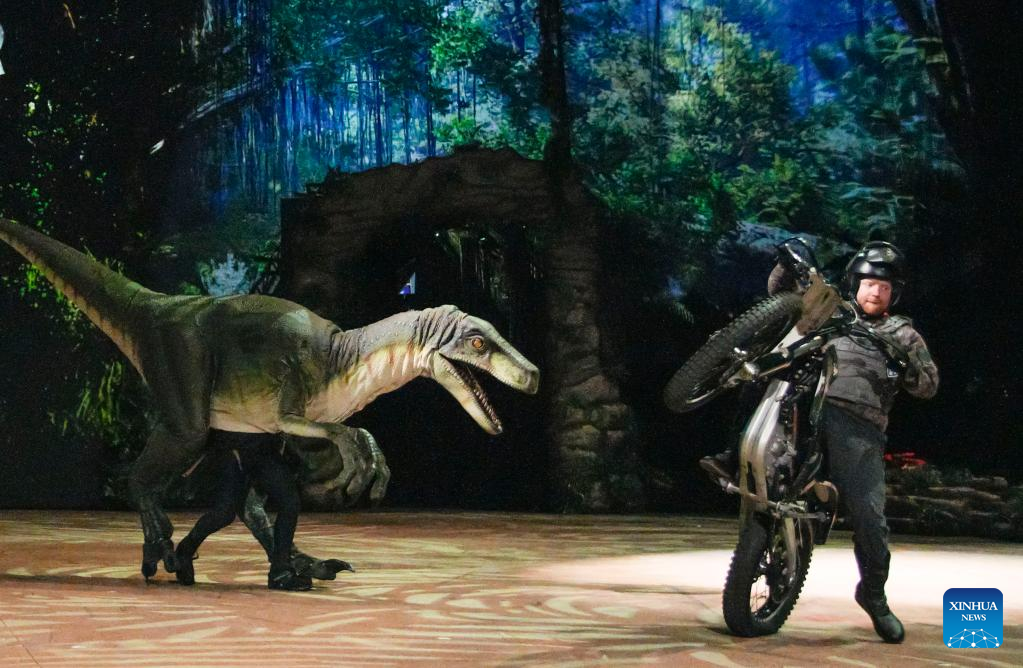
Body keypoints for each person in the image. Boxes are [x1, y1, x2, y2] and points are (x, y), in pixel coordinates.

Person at [701, 240, 939, 643]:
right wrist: (786, 261)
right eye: (869, 284)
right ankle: (732, 454)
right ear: (855, 283)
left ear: (893, 294)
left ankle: (874, 595)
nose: (875, 292)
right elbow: (781, 295)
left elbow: (928, 386)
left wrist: (907, 364)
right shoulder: (834, 310)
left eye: (884, 287)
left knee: (870, 519)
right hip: (801, 401)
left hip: (858, 426)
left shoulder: (903, 333)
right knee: (760, 377)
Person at [174, 430, 313, 591]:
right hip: (230, 443)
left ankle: (280, 571)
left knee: (289, 501)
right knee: (224, 513)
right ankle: (185, 550)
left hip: (263, 445)